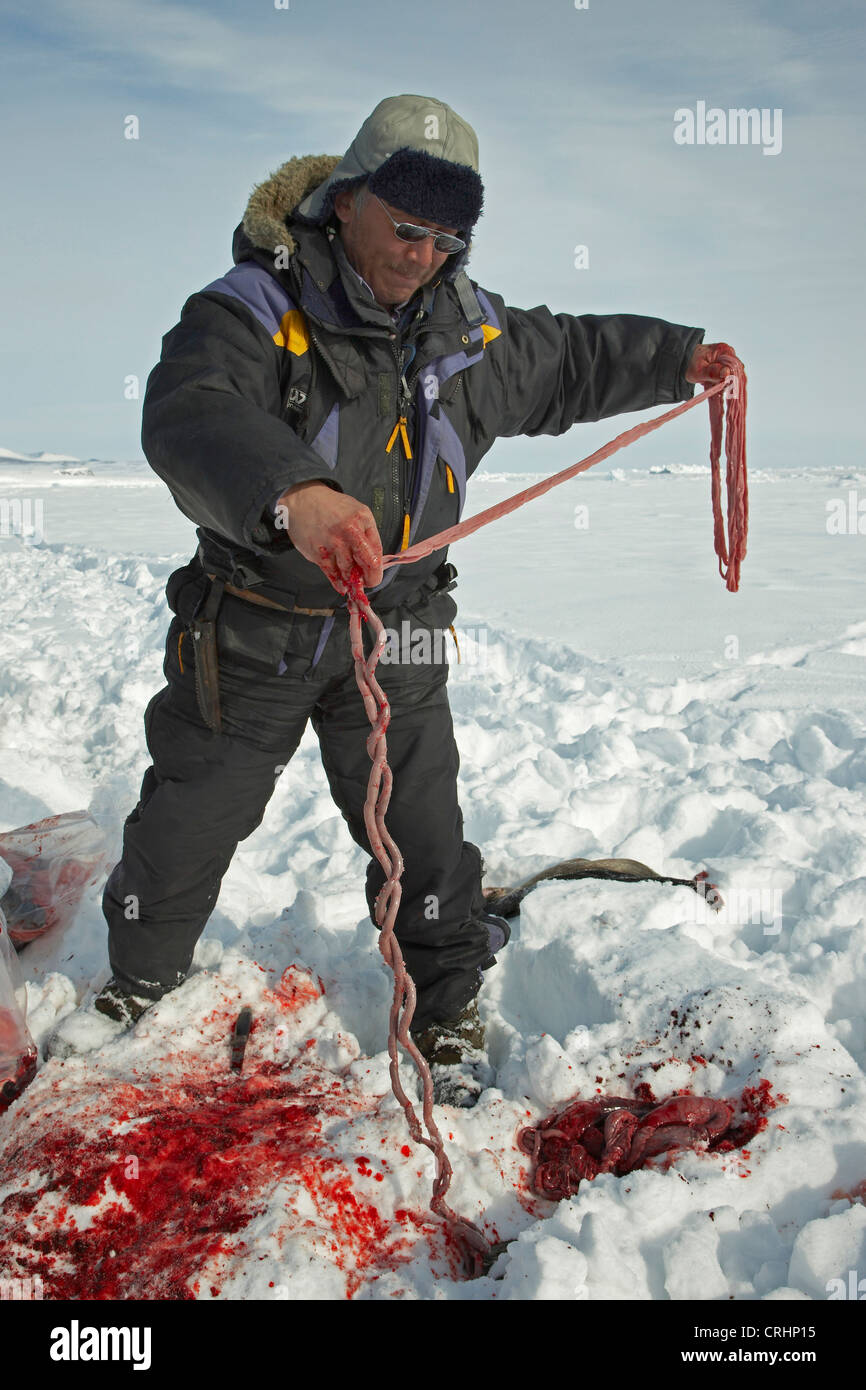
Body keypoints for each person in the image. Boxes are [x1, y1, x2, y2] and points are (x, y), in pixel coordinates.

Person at [51, 95, 738, 1103]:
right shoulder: (251, 307)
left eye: (445, 236)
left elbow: (574, 353)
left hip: (399, 631)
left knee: (420, 824)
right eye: (406, 227)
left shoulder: (471, 332)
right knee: (193, 812)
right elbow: (188, 412)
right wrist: (297, 496)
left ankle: (448, 1000)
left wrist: (677, 358)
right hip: (254, 627)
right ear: (347, 199)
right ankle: (140, 979)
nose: (423, 253)